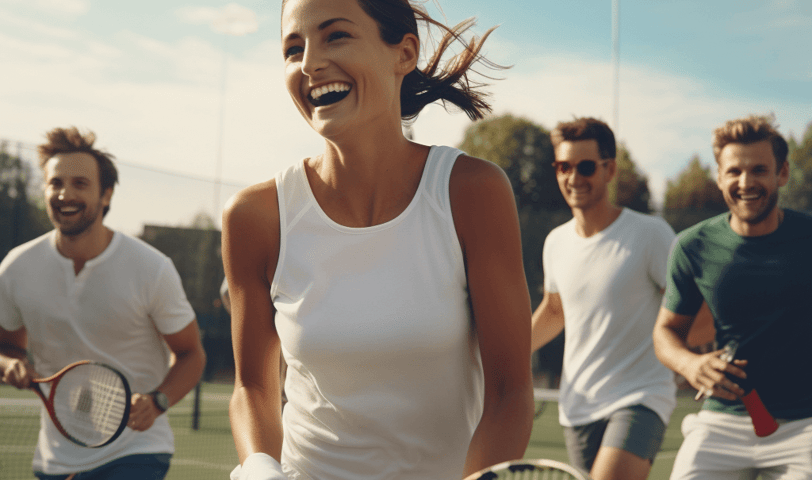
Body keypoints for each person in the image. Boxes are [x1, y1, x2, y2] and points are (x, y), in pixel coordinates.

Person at [224, 0, 534, 478]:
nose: (309, 63)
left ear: (404, 53)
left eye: (336, 36)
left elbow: (510, 393)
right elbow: (253, 390)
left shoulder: (473, 192)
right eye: (292, 48)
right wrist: (262, 466)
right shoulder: (254, 216)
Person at [0, 127, 206, 479]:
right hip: (55, 457)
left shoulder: (152, 268)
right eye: (56, 183)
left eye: (80, 183)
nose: (65, 193)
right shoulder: (16, 269)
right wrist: (9, 364)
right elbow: (7, 346)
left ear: (106, 195)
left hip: (138, 450)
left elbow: (191, 354)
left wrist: (158, 401)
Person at [653, 115, 812, 479]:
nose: (746, 183)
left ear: (782, 173)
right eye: (734, 171)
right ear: (719, 176)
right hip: (722, 420)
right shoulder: (691, 246)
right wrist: (690, 365)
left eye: (759, 170)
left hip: (805, 426)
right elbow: (665, 333)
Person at [530, 117, 679, 480]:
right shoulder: (556, 242)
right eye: (563, 166)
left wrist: (684, 359)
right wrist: (496, 357)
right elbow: (554, 311)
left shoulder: (650, 234)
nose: (573, 177)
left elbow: (693, 307)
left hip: (641, 398)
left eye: (585, 167)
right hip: (578, 406)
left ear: (609, 169)